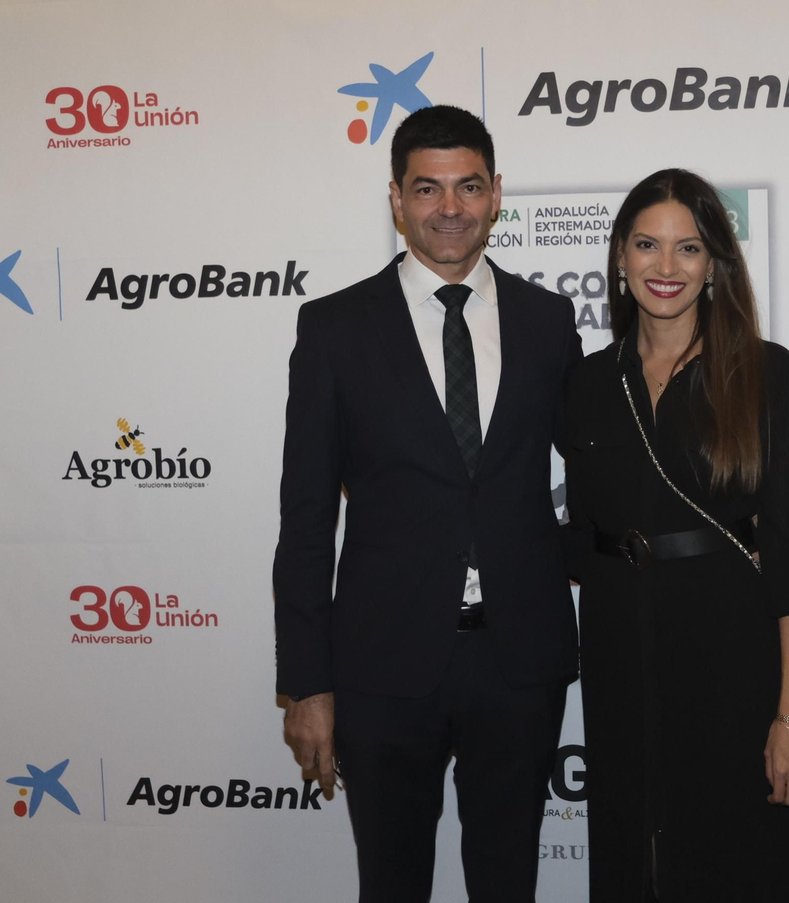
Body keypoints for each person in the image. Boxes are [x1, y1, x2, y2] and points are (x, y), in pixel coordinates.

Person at [274, 105, 583, 902]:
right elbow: (306, 518)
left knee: (509, 881)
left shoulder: (549, 322)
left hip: (519, 660)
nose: (450, 207)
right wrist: (306, 682)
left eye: (468, 187)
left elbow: (595, 469)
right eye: (427, 188)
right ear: (397, 199)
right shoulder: (334, 328)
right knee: (392, 882)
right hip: (381, 662)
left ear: (496, 194)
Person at [563, 169, 789, 901]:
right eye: (647, 245)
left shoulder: (767, 374)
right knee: (633, 855)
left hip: (730, 656)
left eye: (688, 248)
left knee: (740, 859)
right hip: (619, 654)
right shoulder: (586, 384)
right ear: (620, 256)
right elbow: (577, 532)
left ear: (714, 263)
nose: (666, 266)